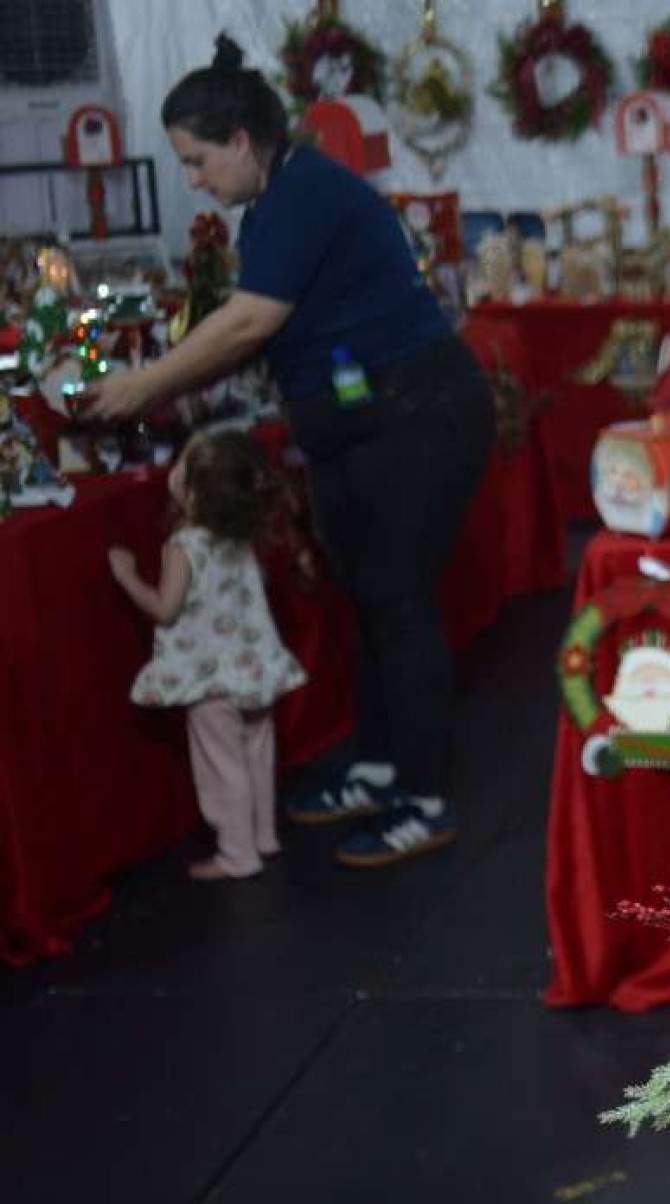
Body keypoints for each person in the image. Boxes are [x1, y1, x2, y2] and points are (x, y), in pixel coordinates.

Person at [89, 35, 493, 869]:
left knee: (400, 601)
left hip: (414, 417)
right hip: (357, 425)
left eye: (197, 160)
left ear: (241, 142)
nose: (194, 179)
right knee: (366, 597)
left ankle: (426, 799)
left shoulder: (304, 192)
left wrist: (146, 386)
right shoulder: (277, 203)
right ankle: (381, 768)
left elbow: (250, 322)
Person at [112, 429, 307, 881]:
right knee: (258, 753)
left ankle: (237, 853)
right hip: (256, 667)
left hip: (211, 679)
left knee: (223, 765)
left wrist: (127, 577)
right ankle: (263, 835)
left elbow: (165, 608)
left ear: (195, 492)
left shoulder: (183, 546)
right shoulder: (239, 535)